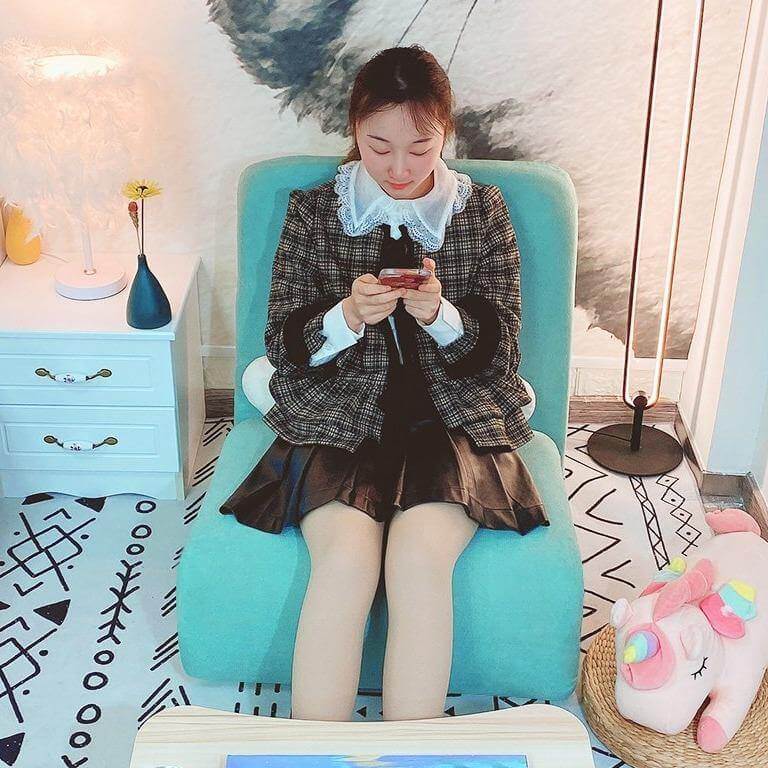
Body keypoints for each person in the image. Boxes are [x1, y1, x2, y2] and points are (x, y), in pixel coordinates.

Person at [219, 44, 548, 723]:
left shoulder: (482, 211)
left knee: (419, 565)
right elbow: (283, 344)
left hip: (453, 422)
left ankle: (411, 753)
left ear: (445, 134)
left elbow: (504, 353)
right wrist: (344, 317)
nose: (399, 169)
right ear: (354, 132)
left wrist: (441, 315)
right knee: (343, 565)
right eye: (379, 147)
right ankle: (315, 756)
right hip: (340, 416)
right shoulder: (315, 211)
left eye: (420, 148)